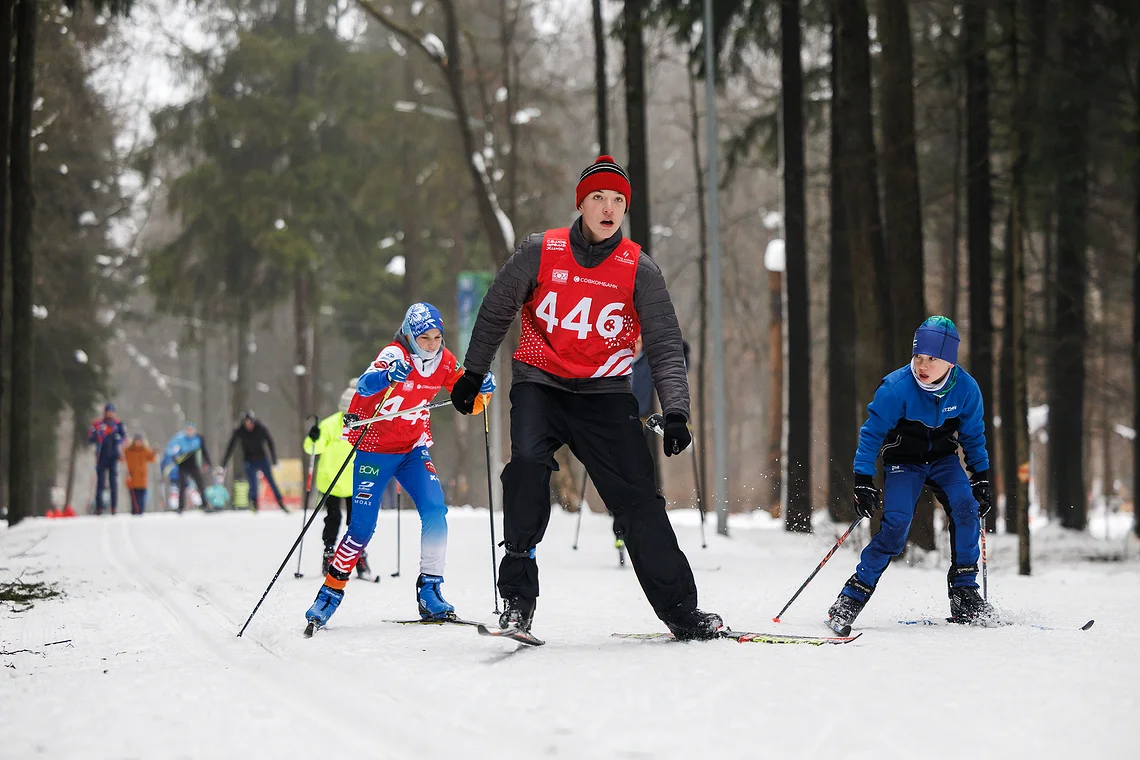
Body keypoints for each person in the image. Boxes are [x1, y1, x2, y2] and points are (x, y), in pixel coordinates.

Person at [449, 155, 723, 640]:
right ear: (581, 203)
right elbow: (496, 308)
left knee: (639, 501)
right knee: (526, 469)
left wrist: (677, 412)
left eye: (618, 200)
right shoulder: (540, 251)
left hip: (605, 393)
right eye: (598, 197)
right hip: (541, 383)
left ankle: (682, 612)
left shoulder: (639, 269)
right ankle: (517, 602)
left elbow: (664, 343)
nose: (608, 208)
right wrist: (473, 372)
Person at [304, 302, 496, 631]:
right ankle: (329, 594)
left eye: (437, 337)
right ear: (409, 335)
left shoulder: (444, 360)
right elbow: (364, 385)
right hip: (374, 450)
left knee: (435, 510)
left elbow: (467, 401)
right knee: (361, 528)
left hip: (412, 449)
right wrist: (387, 376)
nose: (432, 345)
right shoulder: (395, 354)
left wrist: (483, 391)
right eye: (425, 338)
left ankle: (430, 591)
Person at [827, 316, 994, 633]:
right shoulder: (896, 388)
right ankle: (850, 598)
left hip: (943, 459)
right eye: (918, 356)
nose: (922, 365)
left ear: (950, 361)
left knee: (966, 507)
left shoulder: (966, 390)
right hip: (903, 461)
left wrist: (981, 477)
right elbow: (871, 435)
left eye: (932, 358)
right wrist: (863, 480)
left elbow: (973, 436)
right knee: (896, 526)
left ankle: (965, 595)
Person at [304, 383, 371, 578]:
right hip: (331, 480)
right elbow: (313, 448)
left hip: (355, 482)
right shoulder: (330, 424)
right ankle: (329, 552)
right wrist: (313, 438)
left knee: (356, 521)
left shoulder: (366, 424)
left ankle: (358, 555)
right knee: (333, 519)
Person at [221, 411, 289, 513]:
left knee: (270, 481)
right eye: (246, 423)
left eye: (250, 423)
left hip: (262, 458)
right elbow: (231, 446)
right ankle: (254, 504)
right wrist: (224, 462)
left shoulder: (260, 429)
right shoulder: (240, 431)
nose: (248, 426)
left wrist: (274, 459)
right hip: (249, 460)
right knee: (253, 483)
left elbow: (270, 442)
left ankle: (280, 502)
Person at [161, 421, 214, 514]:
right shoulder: (179, 438)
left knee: (200, 484)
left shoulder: (198, 439)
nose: (189, 431)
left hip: (193, 465)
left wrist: (208, 463)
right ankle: (180, 507)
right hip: (182, 465)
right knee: (182, 485)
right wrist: (174, 457)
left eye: (191, 429)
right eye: (188, 429)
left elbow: (204, 452)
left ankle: (205, 505)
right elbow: (171, 450)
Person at [88, 403, 127, 515]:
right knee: (100, 482)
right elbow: (90, 438)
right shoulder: (98, 424)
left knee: (113, 482)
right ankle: (99, 507)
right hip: (101, 455)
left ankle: (114, 507)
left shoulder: (118, 424)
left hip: (114, 456)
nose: (110, 414)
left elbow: (124, 437)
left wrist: (118, 440)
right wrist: (97, 436)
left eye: (111, 412)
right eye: (108, 412)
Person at [122, 433, 157, 515]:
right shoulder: (129, 450)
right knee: (133, 498)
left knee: (141, 497)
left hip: (142, 478)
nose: (138, 442)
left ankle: (140, 512)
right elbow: (122, 456)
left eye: (140, 441)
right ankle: (134, 512)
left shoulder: (145, 450)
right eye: (137, 441)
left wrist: (154, 452)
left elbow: (152, 458)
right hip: (132, 477)